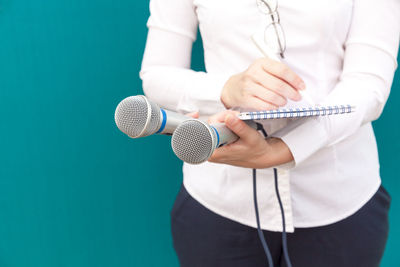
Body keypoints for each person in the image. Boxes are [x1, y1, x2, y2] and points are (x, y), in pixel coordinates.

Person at [140, 0, 400, 266]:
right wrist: (226, 89)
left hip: (337, 200)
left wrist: (288, 148)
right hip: (219, 202)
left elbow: (368, 84)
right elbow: (156, 74)